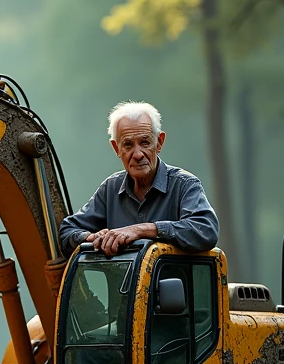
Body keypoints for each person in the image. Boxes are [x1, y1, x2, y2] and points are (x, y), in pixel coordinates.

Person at [59, 101, 219, 258]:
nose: (137, 154)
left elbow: (206, 230)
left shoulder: (184, 185)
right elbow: (67, 231)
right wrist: (93, 238)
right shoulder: (110, 189)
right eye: (128, 145)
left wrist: (141, 230)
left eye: (145, 143)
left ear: (159, 142)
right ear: (116, 148)